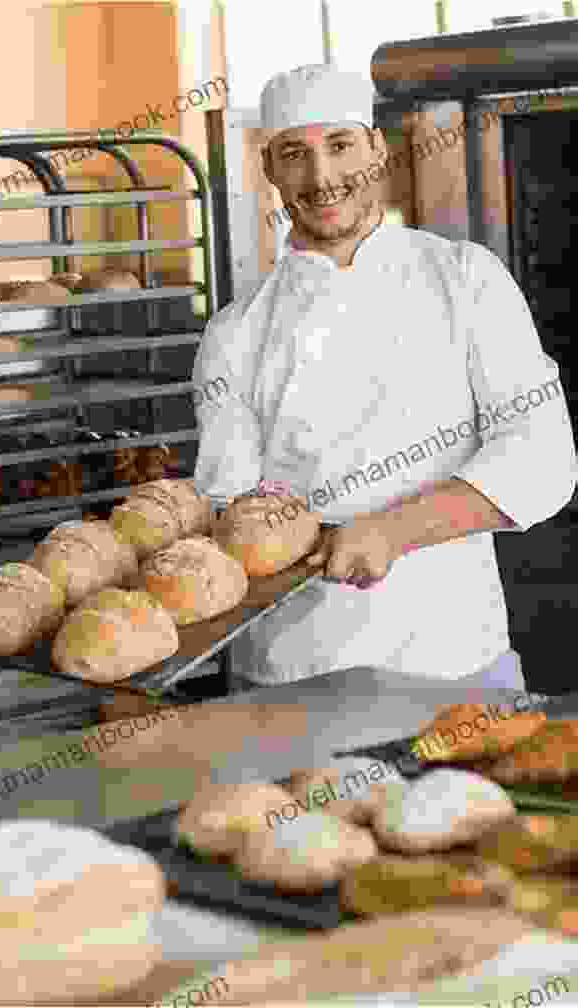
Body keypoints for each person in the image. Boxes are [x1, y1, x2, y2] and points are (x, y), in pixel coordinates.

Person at [191, 64, 577, 690]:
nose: (322, 178)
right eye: (296, 155)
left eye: (340, 146)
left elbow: (543, 458)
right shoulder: (234, 333)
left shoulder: (463, 279)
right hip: (291, 671)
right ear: (270, 169)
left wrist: (393, 530)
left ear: (376, 149)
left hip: (455, 660)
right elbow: (228, 503)